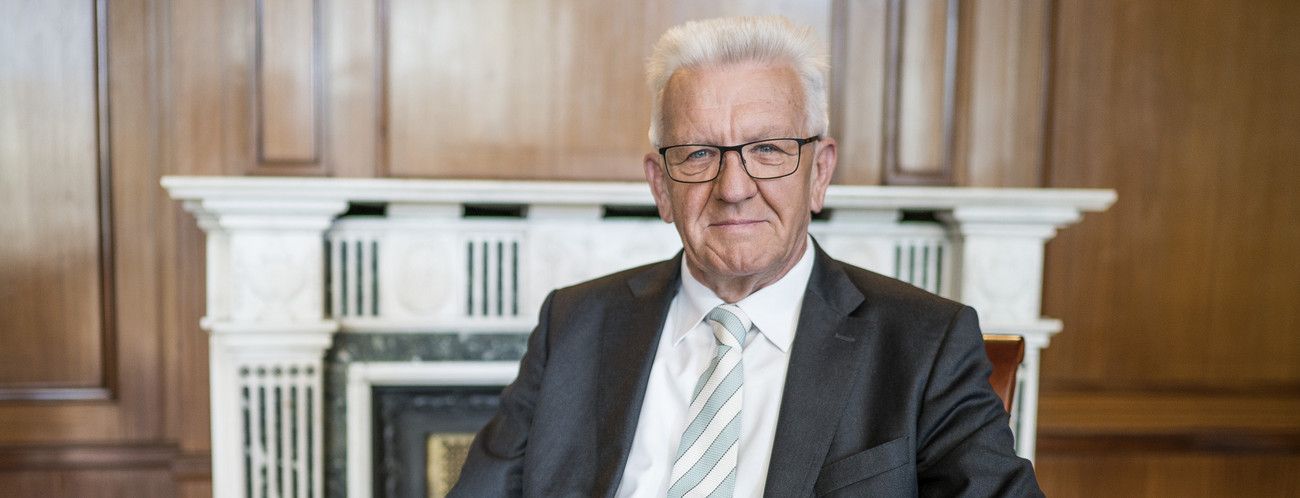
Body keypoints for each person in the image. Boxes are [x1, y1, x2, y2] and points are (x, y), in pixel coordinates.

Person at [450, 15, 1042, 497]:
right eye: (700, 153)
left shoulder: (923, 344)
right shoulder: (573, 325)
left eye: (768, 149)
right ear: (661, 185)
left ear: (820, 173)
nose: (733, 187)